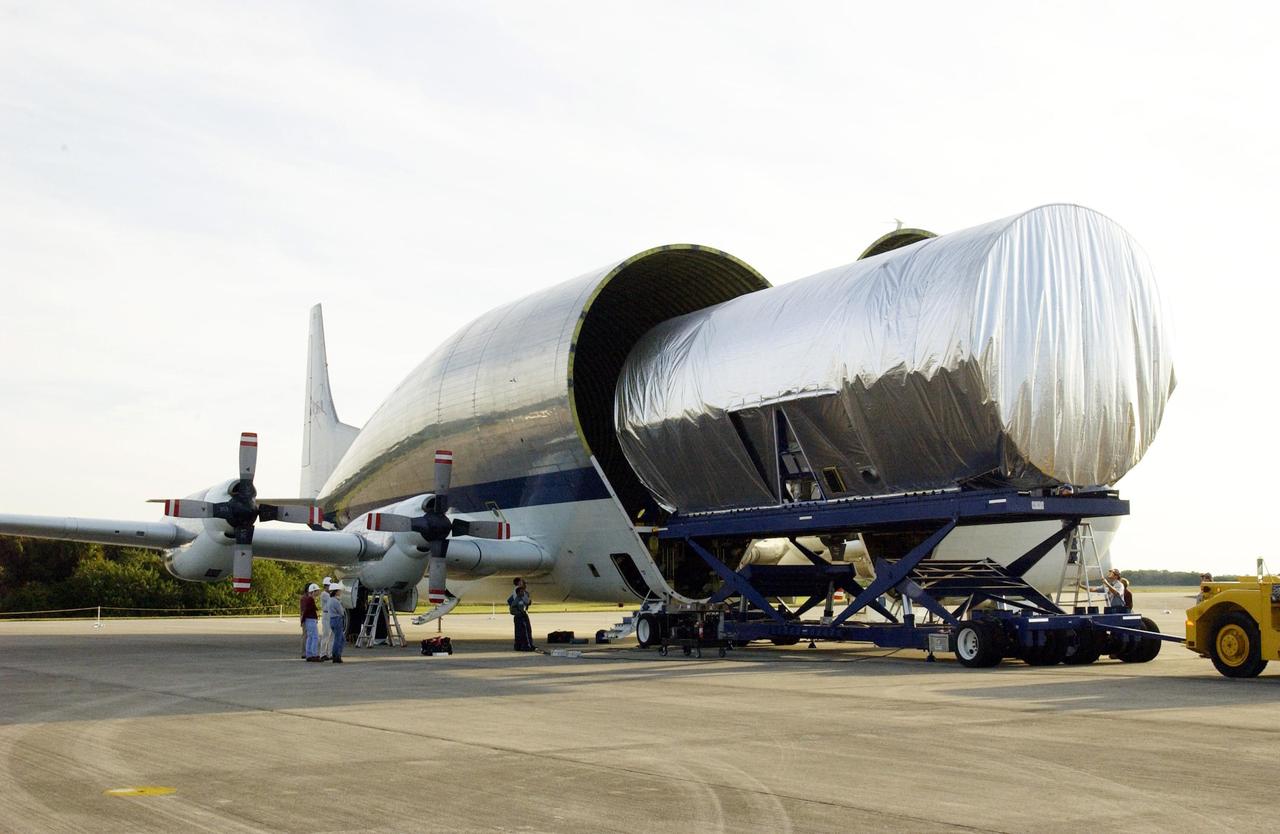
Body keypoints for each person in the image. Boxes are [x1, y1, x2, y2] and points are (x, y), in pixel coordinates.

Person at [508, 577, 534, 651]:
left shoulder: (516, 592)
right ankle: (527, 645)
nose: (524, 583)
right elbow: (527, 601)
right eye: (522, 581)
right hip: (521, 615)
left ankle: (519, 646)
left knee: (519, 632)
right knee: (525, 631)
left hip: (518, 615)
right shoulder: (520, 594)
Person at [326, 583, 347, 664]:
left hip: (332, 619)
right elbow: (341, 612)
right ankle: (336, 656)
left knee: (339, 638)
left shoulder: (330, 600)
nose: (340, 592)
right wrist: (342, 606)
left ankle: (336, 655)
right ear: (336, 591)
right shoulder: (336, 601)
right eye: (339, 590)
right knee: (339, 639)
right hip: (337, 619)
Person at [301, 582, 321, 661]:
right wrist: (303, 620)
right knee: (315, 637)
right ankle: (314, 654)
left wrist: (303, 620)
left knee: (310, 637)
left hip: (308, 620)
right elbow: (306, 611)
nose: (318, 592)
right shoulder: (310, 599)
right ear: (313, 591)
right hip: (311, 620)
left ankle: (308, 654)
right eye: (317, 591)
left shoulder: (309, 599)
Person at [318, 577, 333, 660]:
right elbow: (332, 600)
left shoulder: (329, 594)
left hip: (330, 614)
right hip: (326, 614)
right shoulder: (324, 594)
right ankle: (322, 653)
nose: (330, 588)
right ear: (326, 586)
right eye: (329, 586)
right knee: (326, 634)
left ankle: (330, 653)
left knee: (331, 635)